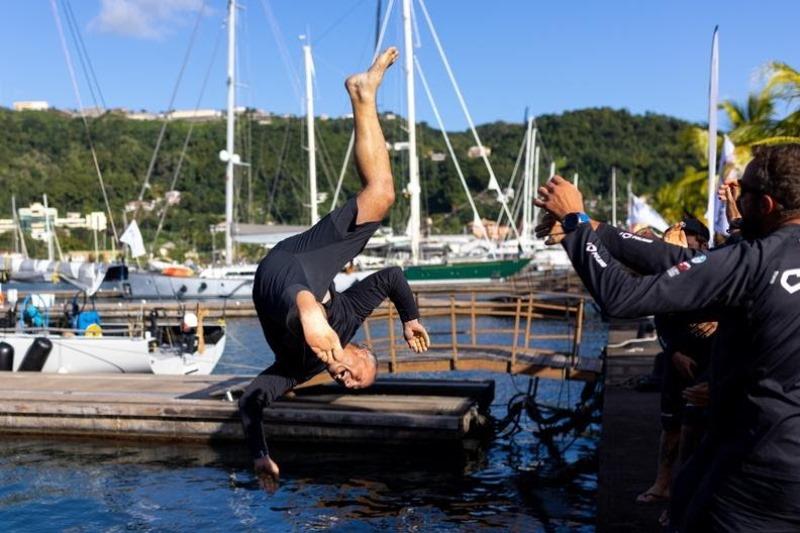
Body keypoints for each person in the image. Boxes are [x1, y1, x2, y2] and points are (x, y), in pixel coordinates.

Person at [535, 144, 800, 530]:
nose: (736, 200)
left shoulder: (755, 260)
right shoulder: (754, 258)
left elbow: (622, 297)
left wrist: (575, 222)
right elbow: (678, 262)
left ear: (767, 205)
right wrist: (600, 232)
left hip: (756, 471)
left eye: (744, 192)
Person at [238, 47, 431, 492]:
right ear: (362, 352)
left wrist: (260, 454)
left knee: (302, 301)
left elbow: (251, 400)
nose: (345, 378)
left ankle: (307, 309)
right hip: (304, 260)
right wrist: (410, 318)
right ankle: (363, 94)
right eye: (356, 374)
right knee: (382, 193)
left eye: (347, 383)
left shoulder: (298, 369)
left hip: (275, 284)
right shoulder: (351, 319)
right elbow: (391, 277)